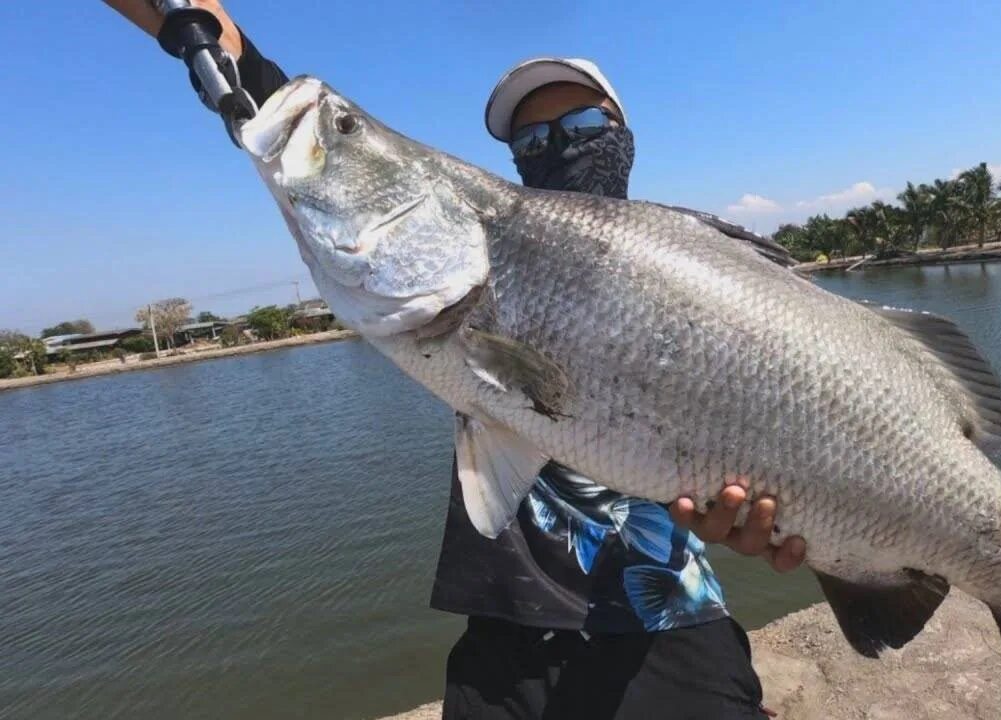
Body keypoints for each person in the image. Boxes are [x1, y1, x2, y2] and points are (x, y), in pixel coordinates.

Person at [105, 3, 807, 718]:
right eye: (532, 137)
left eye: (584, 125)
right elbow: (255, 88)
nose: (558, 145)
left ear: (623, 136)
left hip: (670, 627)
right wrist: (182, 20)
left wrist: (775, 512)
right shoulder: (479, 243)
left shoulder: (697, 274)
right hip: (503, 641)